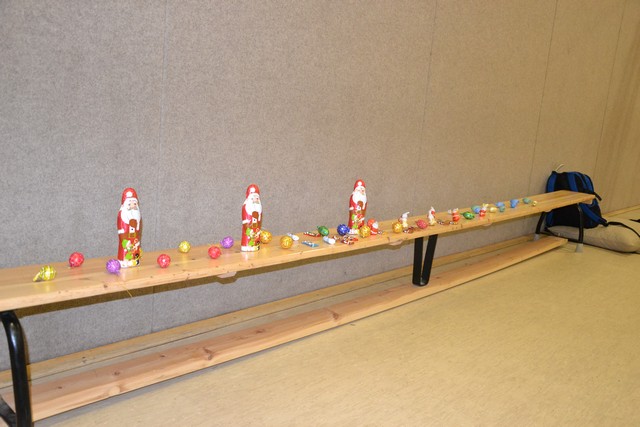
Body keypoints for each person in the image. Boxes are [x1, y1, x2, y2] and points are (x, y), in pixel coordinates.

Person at [117, 188, 142, 268]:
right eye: (129, 204)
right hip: (126, 238)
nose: (132, 206)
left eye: (134, 203)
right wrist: (124, 240)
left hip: (135, 238)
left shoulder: (137, 215)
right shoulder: (122, 214)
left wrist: (138, 238)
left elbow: (139, 229)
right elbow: (121, 228)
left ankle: (135, 260)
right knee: (126, 249)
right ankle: (124, 261)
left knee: (135, 248)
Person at [241, 184, 262, 252]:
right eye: (253, 198)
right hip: (249, 227)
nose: (255, 200)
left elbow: (259, 220)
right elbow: (245, 220)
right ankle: (247, 245)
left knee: (256, 237)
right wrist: (248, 229)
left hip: (256, 228)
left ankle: (255, 245)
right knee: (248, 237)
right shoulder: (246, 207)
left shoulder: (259, 208)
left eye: (257, 198)